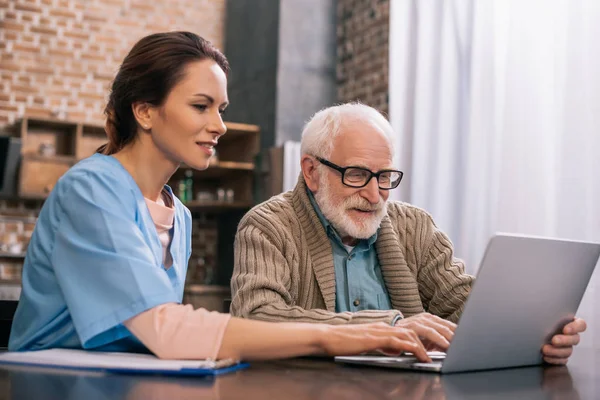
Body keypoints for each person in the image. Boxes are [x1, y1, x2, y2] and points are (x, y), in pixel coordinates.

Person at [8, 32, 433, 363]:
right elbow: (164, 328)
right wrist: (336, 335)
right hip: (50, 384)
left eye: (222, 109)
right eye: (200, 106)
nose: (220, 126)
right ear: (145, 111)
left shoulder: (181, 216)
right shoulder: (91, 189)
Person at [230, 102, 586, 364]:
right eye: (356, 174)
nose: (374, 195)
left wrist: (532, 331)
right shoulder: (267, 226)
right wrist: (388, 326)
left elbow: (464, 305)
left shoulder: (415, 226)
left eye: (384, 177)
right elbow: (256, 318)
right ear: (311, 172)